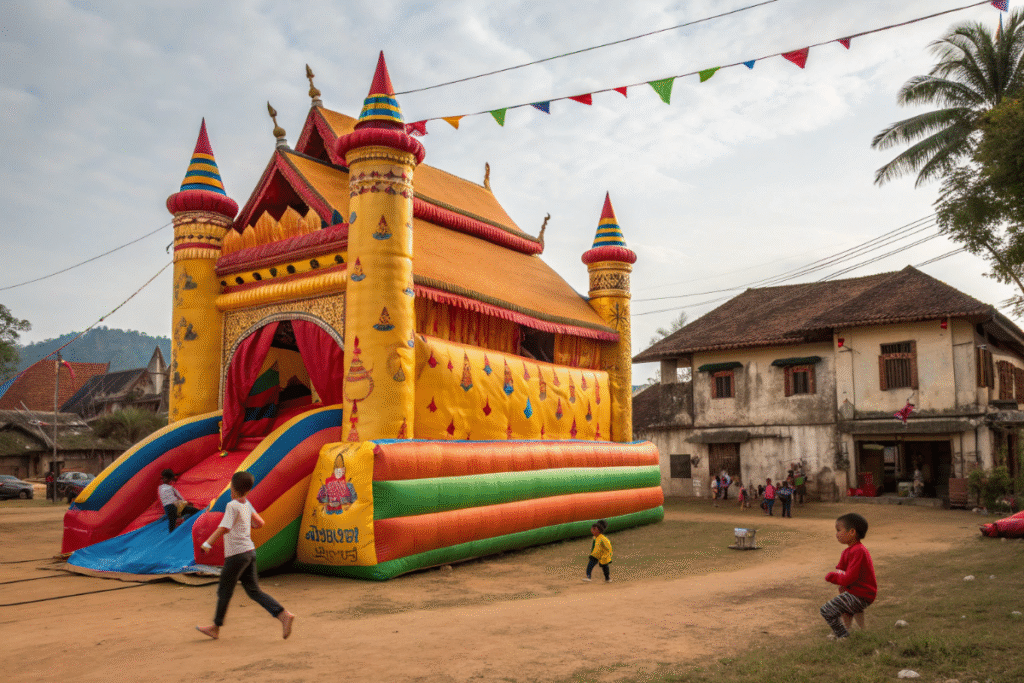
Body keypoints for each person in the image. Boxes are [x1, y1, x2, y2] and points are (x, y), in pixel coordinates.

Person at [196, 471, 295, 640]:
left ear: (232, 489)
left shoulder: (232, 505)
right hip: (249, 552)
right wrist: (245, 525)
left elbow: (224, 528)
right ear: (248, 491)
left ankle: (215, 627)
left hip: (236, 555)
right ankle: (282, 614)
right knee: (253, 590)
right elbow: (260, 523)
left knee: (224, 590)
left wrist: (208, 543)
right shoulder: (246, 504)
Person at [821, 512, 876, 640]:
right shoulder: (848, 551)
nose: (836, 534)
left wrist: (831, 576)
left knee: (826, 610)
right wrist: (840, 579)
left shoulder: (858, 550)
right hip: (856, 593)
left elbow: (849, 578)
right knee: (847, 607)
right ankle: (856, 631)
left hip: (861, 594)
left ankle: (842, 634)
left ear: (851, 532)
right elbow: (841, 570)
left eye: (839, 530)